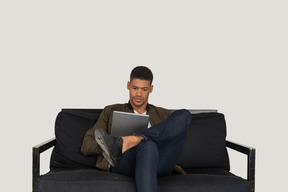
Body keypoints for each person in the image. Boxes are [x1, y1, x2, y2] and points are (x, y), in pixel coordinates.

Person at [81, 66, 191, 192]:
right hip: (125, 163)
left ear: (151, 89)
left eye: (144, 89)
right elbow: (86, 145)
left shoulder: (163, 114)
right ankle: (121, 145)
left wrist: (129, 140)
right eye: (135, 88)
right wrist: (110, 143)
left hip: (159, 163)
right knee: (148, 145)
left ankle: (127, 142)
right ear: (128, 85)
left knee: (184, 115)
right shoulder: (111, 111)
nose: (138, 94)